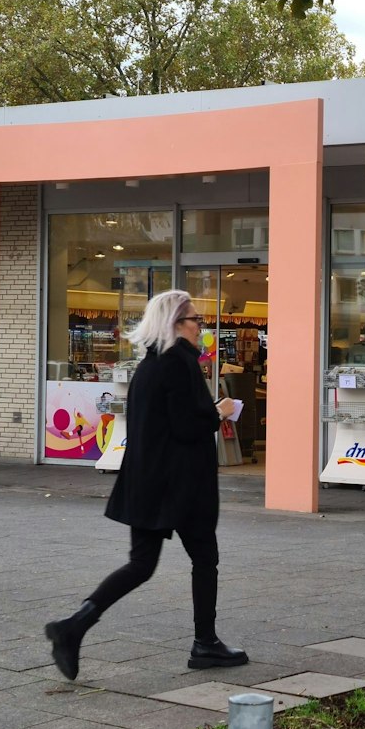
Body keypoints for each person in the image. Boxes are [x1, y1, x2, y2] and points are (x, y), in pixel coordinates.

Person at [44, 289, 246, 679]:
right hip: (182, 485)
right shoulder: (179, 364)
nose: (201, 327)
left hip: (149, 483)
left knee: (141, 564)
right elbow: (186, 425)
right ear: (176, 324)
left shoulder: (150, 366)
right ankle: (205, 643)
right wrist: (218, 411)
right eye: (196, 320)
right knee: (205, 559)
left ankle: (74, 626)